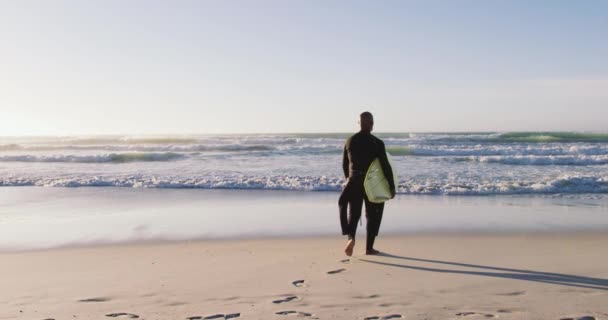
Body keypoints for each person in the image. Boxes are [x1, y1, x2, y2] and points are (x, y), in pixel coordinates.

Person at [339, 111, 395, 256]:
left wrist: (348, 179)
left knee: (354, 213)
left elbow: (345, 164)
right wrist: (391, 186)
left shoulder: (350, 141)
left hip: (354, 181)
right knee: (373, 214)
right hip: (371, 184)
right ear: (371, 124)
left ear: (359, 123)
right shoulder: (377, 143)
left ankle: (350, 238)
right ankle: (369, 248)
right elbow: (385, 166)